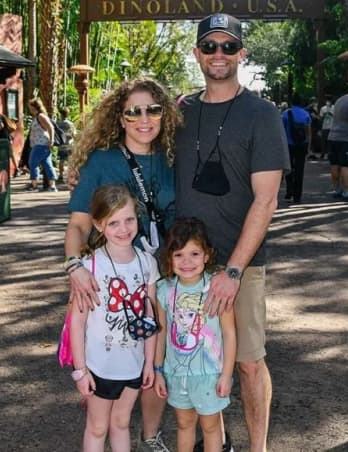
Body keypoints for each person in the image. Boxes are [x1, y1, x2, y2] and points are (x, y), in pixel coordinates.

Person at [176, 13, 288, 452]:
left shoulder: (261, 114)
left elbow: (266, 200)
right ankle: (216, 443)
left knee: (246, 362)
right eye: (209, 46)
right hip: (185, 265)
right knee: (194, 361)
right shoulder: (180, 111)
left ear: (242, 53)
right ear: (197, 53)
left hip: (239, 266)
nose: (218, 54)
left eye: (227, 46)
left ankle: (257, 447)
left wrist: (234, 271)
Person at [65, 78, 181, 452]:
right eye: (134, 111)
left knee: (155, 361)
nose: (144, 118)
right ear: (120, 116)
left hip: (160, 275)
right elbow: (79, 224)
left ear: (164, 114)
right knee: (111, 359)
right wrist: (75, 267)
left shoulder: (172, 159)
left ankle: (149, 435)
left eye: (153, 109)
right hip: (112, 274)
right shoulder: (102, 161)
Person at [68, 184, 159, 452]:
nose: (124, 229)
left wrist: (149, 364)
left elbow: (150, 322)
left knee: (121, 423)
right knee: (97, 427)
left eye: (129, 219)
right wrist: (80, 370)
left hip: (134, 364)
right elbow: (77, 322)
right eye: (114, 223)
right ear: (98, 225)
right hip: (99, 366)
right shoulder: (90, 267)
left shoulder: (147, 263)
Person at [154, 218, 237, 452]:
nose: (187, 261)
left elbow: (229, 333)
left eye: (194, 254)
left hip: (210, 374)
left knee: (211, 428)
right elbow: (161, 334)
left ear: (207, 255)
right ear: (169, 258)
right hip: (176, 373)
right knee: (183, 424)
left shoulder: (217, 287)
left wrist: (227, 374)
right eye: (179, 255)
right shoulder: (164, 289)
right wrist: (158, 370)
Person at [281, 96, 312, 204]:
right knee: (300, 170)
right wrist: (308, 147)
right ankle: (297, 196)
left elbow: (282, 131)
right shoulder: (306, 114)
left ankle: (289, 191)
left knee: (288, 168)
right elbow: (308, 133)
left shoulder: (285, 114)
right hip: (302, 145)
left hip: (288, 144)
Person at [26, 96, 58, 191]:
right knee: (47, 164)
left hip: (41, 144)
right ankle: (52, 185)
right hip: (40, 144)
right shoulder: (37, 117)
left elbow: (50, 127)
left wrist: (51, 140)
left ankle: (34, 184)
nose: (29, 109)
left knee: (33, 162)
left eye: (30, 106)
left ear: (34, 107)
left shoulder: (41, 116)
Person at [56, 107, 77, 182]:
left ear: (60, 114)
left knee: (61, 160)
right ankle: (70, 176)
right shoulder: (70, 124)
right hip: (69, 145)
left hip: (61, 145)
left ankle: (61, 176)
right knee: (70, 161)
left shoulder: (57, 123)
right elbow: (74, 134)